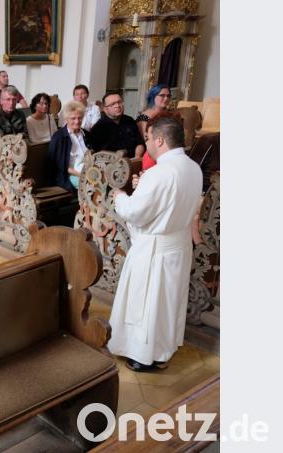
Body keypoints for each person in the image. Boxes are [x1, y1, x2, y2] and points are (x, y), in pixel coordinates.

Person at [107, 116, 202, 372]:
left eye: (148, 138)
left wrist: (121, 196)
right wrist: (143, 186)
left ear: (160, 140)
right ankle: (162, 351)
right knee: (168, 303)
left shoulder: (159, 173)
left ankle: (143, 356)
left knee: (147, 304)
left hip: (155, 250)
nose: (146, 142)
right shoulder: (193, 168)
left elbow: (135, 212)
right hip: (178, 246)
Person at [88, 92, 146, 158]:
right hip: (111, 162)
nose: (117, 106)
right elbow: (98, 154)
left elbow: (139, 143)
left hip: (135, 159)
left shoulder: (129, 120)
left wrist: (137, 157)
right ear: (105, 109)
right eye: (112, 104)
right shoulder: (98, 128)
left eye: (119, 102)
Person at [48, 101, 89, 192]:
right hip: (69, 176)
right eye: (73, 118)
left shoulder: (86, 134)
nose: (77, 121)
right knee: (93, 184)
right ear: (66, 119)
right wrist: (81, 175)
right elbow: (59, 165)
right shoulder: (59, 137)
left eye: (79, 118)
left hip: (88, 171)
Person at [137, 84, 173, 170]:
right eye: (162, 95)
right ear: (153, 96)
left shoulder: (171, 114)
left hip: (170, 150)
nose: (166, 98)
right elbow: (147, 140)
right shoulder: (144, 117)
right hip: (152, 152)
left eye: (168, 96)